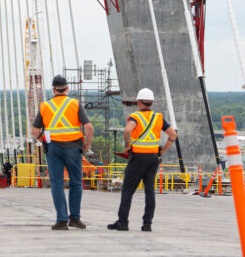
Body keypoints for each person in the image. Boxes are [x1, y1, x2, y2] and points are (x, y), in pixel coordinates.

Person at [108, 88, 178, 232]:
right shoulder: (158, 117)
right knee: (150, 191)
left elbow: (127, 130)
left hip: (138, 158)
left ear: (139, 102)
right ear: (151, 102)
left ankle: (123, 222)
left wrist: (127, 146)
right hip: (153, 158)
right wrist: (162, 151)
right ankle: (147, 224)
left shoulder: (136, 117)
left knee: (128, 190)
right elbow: (173, 135)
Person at [31, 74, 94, 230]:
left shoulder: (45, 106)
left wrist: (44, 141)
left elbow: (35, 130)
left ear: (53, 90)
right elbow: (89, 127)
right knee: (75, 182)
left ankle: (61, 220)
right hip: (73, 148)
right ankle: (75, 218)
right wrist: (87, 144)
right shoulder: (75, 104)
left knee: (57, 184)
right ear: (67, 88)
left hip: (53, 149)